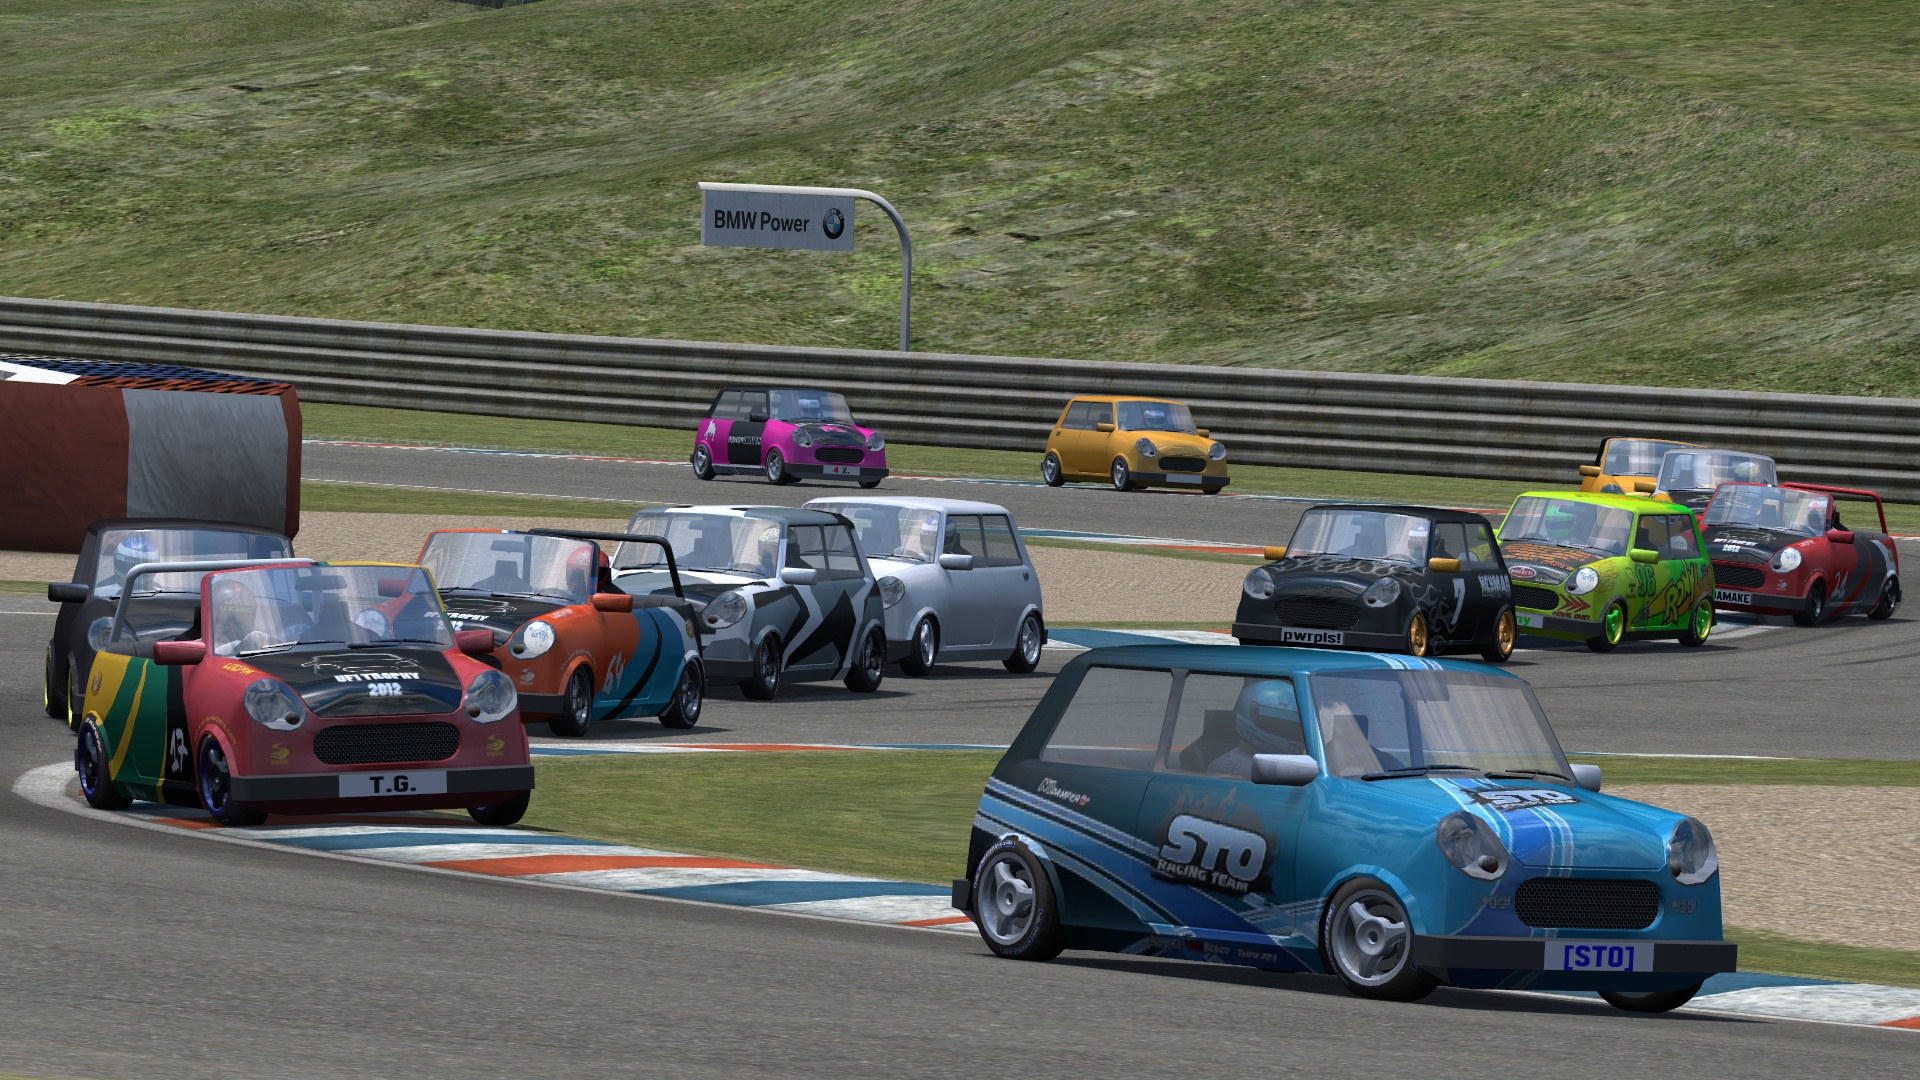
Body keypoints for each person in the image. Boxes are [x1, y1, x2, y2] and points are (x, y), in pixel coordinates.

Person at [1207, 680, 1307, 779]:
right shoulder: (1230, 769)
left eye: (1295, 726)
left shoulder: (1225, 764)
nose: (1287, 729)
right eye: (1277, 723)